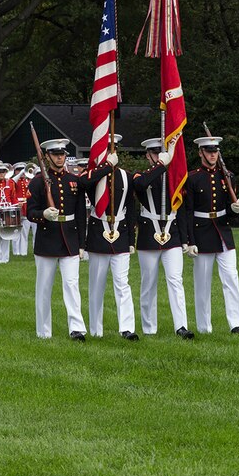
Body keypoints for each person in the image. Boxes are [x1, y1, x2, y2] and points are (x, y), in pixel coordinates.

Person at [183, 136, 239, 334]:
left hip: (223, 232)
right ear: (200, 153)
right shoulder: (193, 177)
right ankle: (204, 327)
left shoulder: (228, 176)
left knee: (231, 277)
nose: (213, 154)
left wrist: (235, 209)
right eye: (209, 151)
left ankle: (237, 324)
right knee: (202, 283)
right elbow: (188, 211)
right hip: (201, 232)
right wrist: (190, 240)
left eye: (215, 151)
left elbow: (228, 210)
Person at [26, 139, 88, 340]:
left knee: (72, 285)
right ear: (47, 156)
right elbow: (30, 212)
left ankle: (76, 328)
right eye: (55, 154)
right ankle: (43, 331)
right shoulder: (37, 182)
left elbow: (80, 214)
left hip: (69, 239)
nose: (60, 157)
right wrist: (43, 214)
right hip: (47, 239)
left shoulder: (74, 180)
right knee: (44, 287)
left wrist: (81, 244)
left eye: (62, 154)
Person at [133, 136, 194, 339]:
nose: (159, 156)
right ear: (148, 156)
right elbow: (141, 185)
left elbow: (182, 209)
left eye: (162, 153)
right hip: (149, 233)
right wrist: (161, 164)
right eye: (155, 154)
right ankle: (149, 327)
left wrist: (186, 239)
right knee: (148, 282)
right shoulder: (141, 174)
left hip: (172, 233)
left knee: (176, 280)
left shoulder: (174, 177)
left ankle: (181, 326)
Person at [84, 137, 139, 340]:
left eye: (111, 149)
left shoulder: (127, 177)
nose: (108, 152)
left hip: (121, 233)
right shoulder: (94, 175)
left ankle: (127, 327)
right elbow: (84, 182)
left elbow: (131, 208)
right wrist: (106, 167)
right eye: (105, 149)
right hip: (99, 232)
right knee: (97, 283)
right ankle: (95, 329)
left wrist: (132, 240)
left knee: (122, 282)